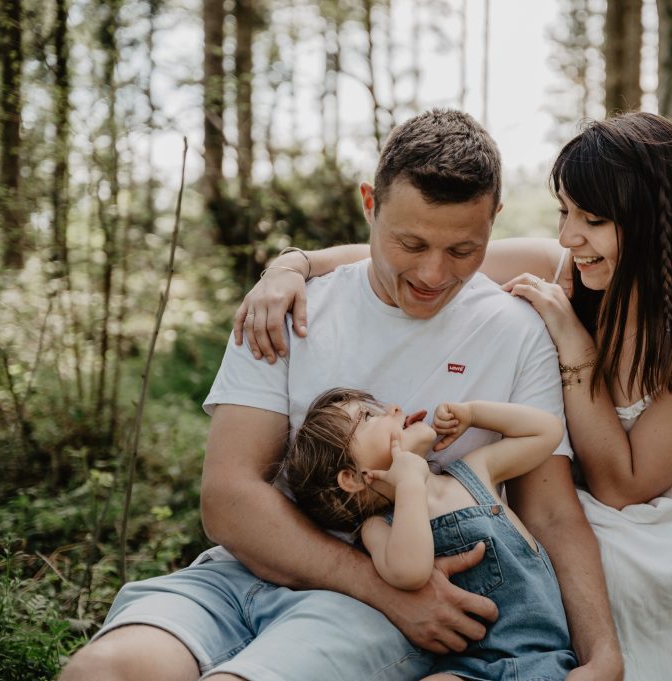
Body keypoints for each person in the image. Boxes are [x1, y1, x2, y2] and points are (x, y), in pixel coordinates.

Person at [235, 111, 672, 680]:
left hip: (649, 518)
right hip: (557, 508)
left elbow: (620, 486)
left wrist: (574, 344)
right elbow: (401, 251)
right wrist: (293, 265)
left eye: (592, 219)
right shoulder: (558, 267)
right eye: (566, 212)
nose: (568, 236)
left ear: (653, 222)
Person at [60, 110, 622, 681]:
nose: (433, 273)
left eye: (462, 250)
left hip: (363, 617)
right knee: (100, 671)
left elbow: (550, 512)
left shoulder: (516, 331)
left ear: (493, 220)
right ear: (369, 205)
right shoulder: (288, 309)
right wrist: (384, 588)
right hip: (240, 577)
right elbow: (228, 497)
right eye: (411, 242)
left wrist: (603, 653)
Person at [285, 388, 577, 680]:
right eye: (368, 417)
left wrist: (474, 413)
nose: (395, 408)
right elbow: (411, 571)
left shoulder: (474, 472)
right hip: (469, 668)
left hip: (543, 656)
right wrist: (410, 482)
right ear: (351, 478)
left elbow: (547, 432)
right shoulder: (378, 527)